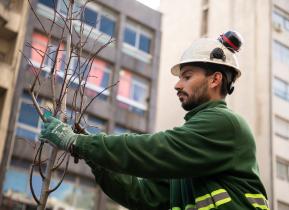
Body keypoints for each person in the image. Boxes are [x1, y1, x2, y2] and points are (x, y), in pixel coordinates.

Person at [40, 31, 269, 210]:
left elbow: (154, 149)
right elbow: (143, 196)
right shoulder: (190, 155)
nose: (178, 84)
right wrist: (93, 157)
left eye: (187, 76)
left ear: (215, 80)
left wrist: (78, 143)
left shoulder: (224, 124)